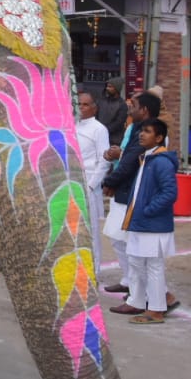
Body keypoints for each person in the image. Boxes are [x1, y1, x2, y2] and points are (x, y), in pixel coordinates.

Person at [102, 93, 176, 310]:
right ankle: (137, 292)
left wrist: (145, 208)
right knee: (126, 246)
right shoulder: (136, 131)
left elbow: (168, 191)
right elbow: (130, 157)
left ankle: (155, 299)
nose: (129, 107)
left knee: (143, 257)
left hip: (139, 206)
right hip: (131, 197)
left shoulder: (158, 155)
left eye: (133, 105)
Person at [76, 92, 111, 278]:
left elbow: (104, 160)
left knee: (92, 233)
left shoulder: (99, 129)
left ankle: (93, 272)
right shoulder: (70, 125)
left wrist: (91, 185)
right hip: (71, 184)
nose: (81, 107)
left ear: (94, 107)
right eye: (79, 104)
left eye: (86, 104)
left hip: (88, 184)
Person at [96, 78, 127, 145]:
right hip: (98, 137)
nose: (107, 88)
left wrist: (103, 131)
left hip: (114, 140)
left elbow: (118, 123)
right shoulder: (101, 101)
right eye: (107, 86)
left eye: (110, 87)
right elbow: (96, 116)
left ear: (117, 88)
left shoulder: (122, 105)